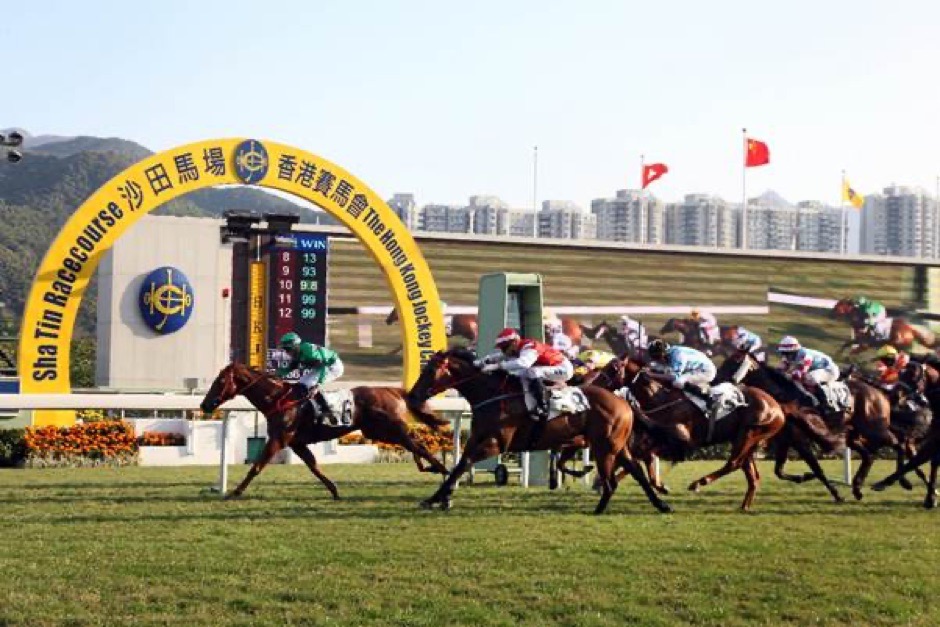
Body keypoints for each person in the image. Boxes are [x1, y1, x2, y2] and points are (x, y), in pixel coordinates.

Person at [476, 327, 574, 420]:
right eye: (501, 348)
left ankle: (542, 406)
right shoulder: (517, 347)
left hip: (563, 368)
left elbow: (523, 363)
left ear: (514, 342)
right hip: (549, 367)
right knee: (522, 374)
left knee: (532, 371)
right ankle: (531, 405)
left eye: (504, 347)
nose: (503, 351)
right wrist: (481, 362)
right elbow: (500, 356)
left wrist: (497, 366)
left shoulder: (530, 347)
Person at [277, 331, 344, 422]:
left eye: (288, 349)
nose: (286, 352)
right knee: (301, 383)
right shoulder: (297, 352)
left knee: (309, 384)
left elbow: (323, 367)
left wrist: (318, 385)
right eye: (285, 349)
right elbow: (289, 368)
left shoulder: (309, 352)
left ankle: (327, 411)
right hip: (321, 367)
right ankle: (309, 406)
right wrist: (274, 374)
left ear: (295, 346)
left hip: (332, 366)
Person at [646, 338, 718, 421]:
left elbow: (674, 376)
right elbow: (661, 367)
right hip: (695, 368)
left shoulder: (677, 355)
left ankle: (707, 398)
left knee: (678, 382)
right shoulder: (670, 353)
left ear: (662, 354)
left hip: (706, 371)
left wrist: (652, 375)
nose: (656, 360)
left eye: (656, 357)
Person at [775, 336, 839, 411]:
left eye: (787, 353)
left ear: (794, 351)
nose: (785, 355)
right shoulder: (789, 356)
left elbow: (799, 374)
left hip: (830, 370)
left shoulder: (805, 355)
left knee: (809, 377)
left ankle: (824, 403)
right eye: (783, 353)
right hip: (816, 369)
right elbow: (779, 370)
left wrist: (787, 375)